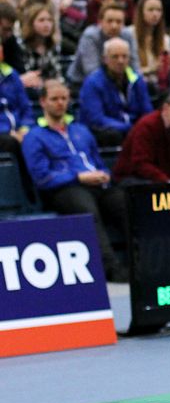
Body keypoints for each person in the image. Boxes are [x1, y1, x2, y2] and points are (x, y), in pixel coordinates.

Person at [22, 79, 129, 281]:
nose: (60, 103)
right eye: (54, 99)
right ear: (43, 102)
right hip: (63, 189)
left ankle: (141, 266)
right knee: (87, 209)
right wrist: (77, 177)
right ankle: (111, 269)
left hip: (96, 185)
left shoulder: (81, 130)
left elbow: (97, 161)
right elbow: (41, 177)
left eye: (64, 98)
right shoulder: (34, 136)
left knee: (125, 203)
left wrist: (103, 173)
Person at [78, 37, 153, 147]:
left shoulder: (137, 79)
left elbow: (147, 110)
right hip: (106, 131)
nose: (120, 61)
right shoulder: (93, 82)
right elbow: (96, 119)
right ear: (105, 59)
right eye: (115, 57)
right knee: (113, 135)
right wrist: (128, 128)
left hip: (133, 129)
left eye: (124, 56)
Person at [67, 3, 139, 88]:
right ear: (100, 22)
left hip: (117, 82)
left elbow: (134, 66)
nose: (114, 26)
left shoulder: (127, 35)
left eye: (119, 22)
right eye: (110, 21)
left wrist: (136, 83)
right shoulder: (90, 36)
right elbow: (92, 71)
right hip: (81, 83)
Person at [0, 41, 36, 203]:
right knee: (11, 143)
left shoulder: (10, 74)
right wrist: (8, 131)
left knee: (38, 137)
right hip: (4, 135)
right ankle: (28, 196)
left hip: (18, 132)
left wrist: (25, 127)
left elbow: (26, 108)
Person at [18, 3, 62, 95]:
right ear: (31, 23)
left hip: (48, 91)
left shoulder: (53, 46)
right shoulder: (20, 46)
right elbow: (26, 77)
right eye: (41, 20)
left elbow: (56, 75)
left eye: (50, 20)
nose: (47, 25)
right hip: (26, 92)